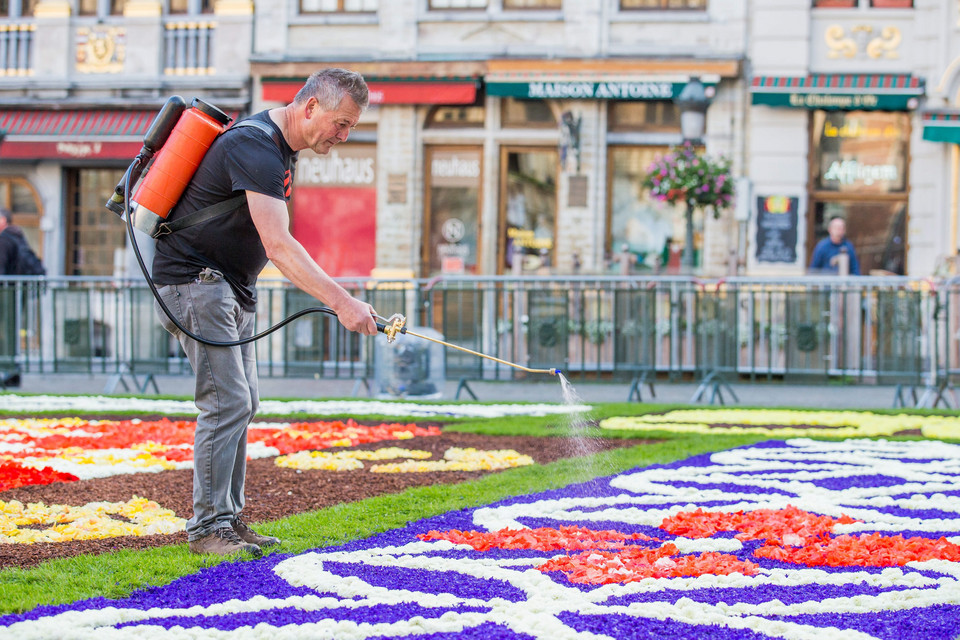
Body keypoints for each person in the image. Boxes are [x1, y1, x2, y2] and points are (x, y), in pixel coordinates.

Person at [151, 68, 378, 558]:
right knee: (226, 402)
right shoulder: (255, 146)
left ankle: (227, 520)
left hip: (227, 289)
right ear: (310, 106)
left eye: (351, 128)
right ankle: (208, 529)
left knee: (242, 401)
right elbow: (279, 245)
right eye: (340, 123)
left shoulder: (278, 150)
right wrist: (343, 302)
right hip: (195, 284)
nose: (343, 135)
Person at [0, 208, 45, 276]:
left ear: (3, 220)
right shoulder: (16, 235)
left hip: (10, 285)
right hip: (21, 283)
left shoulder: (4, 240)